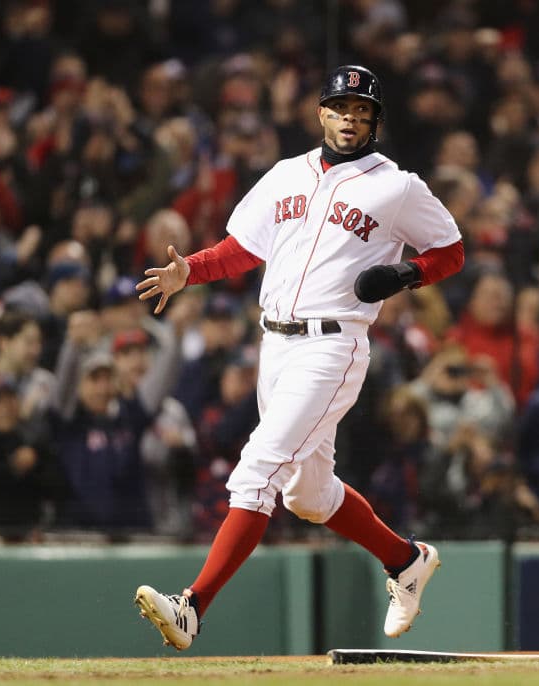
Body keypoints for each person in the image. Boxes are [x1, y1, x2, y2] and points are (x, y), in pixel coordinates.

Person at [133, 65, 464, 650]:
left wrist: (407, 273)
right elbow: (243, 248)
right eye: (341, 109)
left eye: (362, 112)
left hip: (334, 345)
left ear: (376, 122)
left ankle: (192, 607)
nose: (350, 119)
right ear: (321, 114)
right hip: (275, 344)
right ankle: (406, 560)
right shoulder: (287, 173)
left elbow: (451, 250)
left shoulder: (397, 186)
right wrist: (192, 271)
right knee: (306, 496)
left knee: (257, 471)